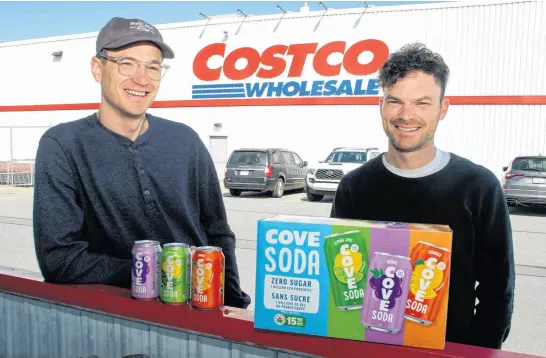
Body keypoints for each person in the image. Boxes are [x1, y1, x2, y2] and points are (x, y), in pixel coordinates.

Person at [33, 17, 251, 309]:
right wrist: (156, 275)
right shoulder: (63, 145)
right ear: (98, 69)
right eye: (127, 63)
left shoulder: (186, 141)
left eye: (153, 67)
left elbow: (218, 233)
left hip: (202, 315)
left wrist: (233, 302)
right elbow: (58, 259)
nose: (142, 79)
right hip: (117, 321)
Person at [330, 43, 515, 349]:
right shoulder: (354, 187)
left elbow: (499, 292)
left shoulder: (479, 187)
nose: (406, 115)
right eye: (395, 101)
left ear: (442, 109)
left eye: (422, 103)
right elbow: (341, 282)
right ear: (381, 106)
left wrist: (472, 353)